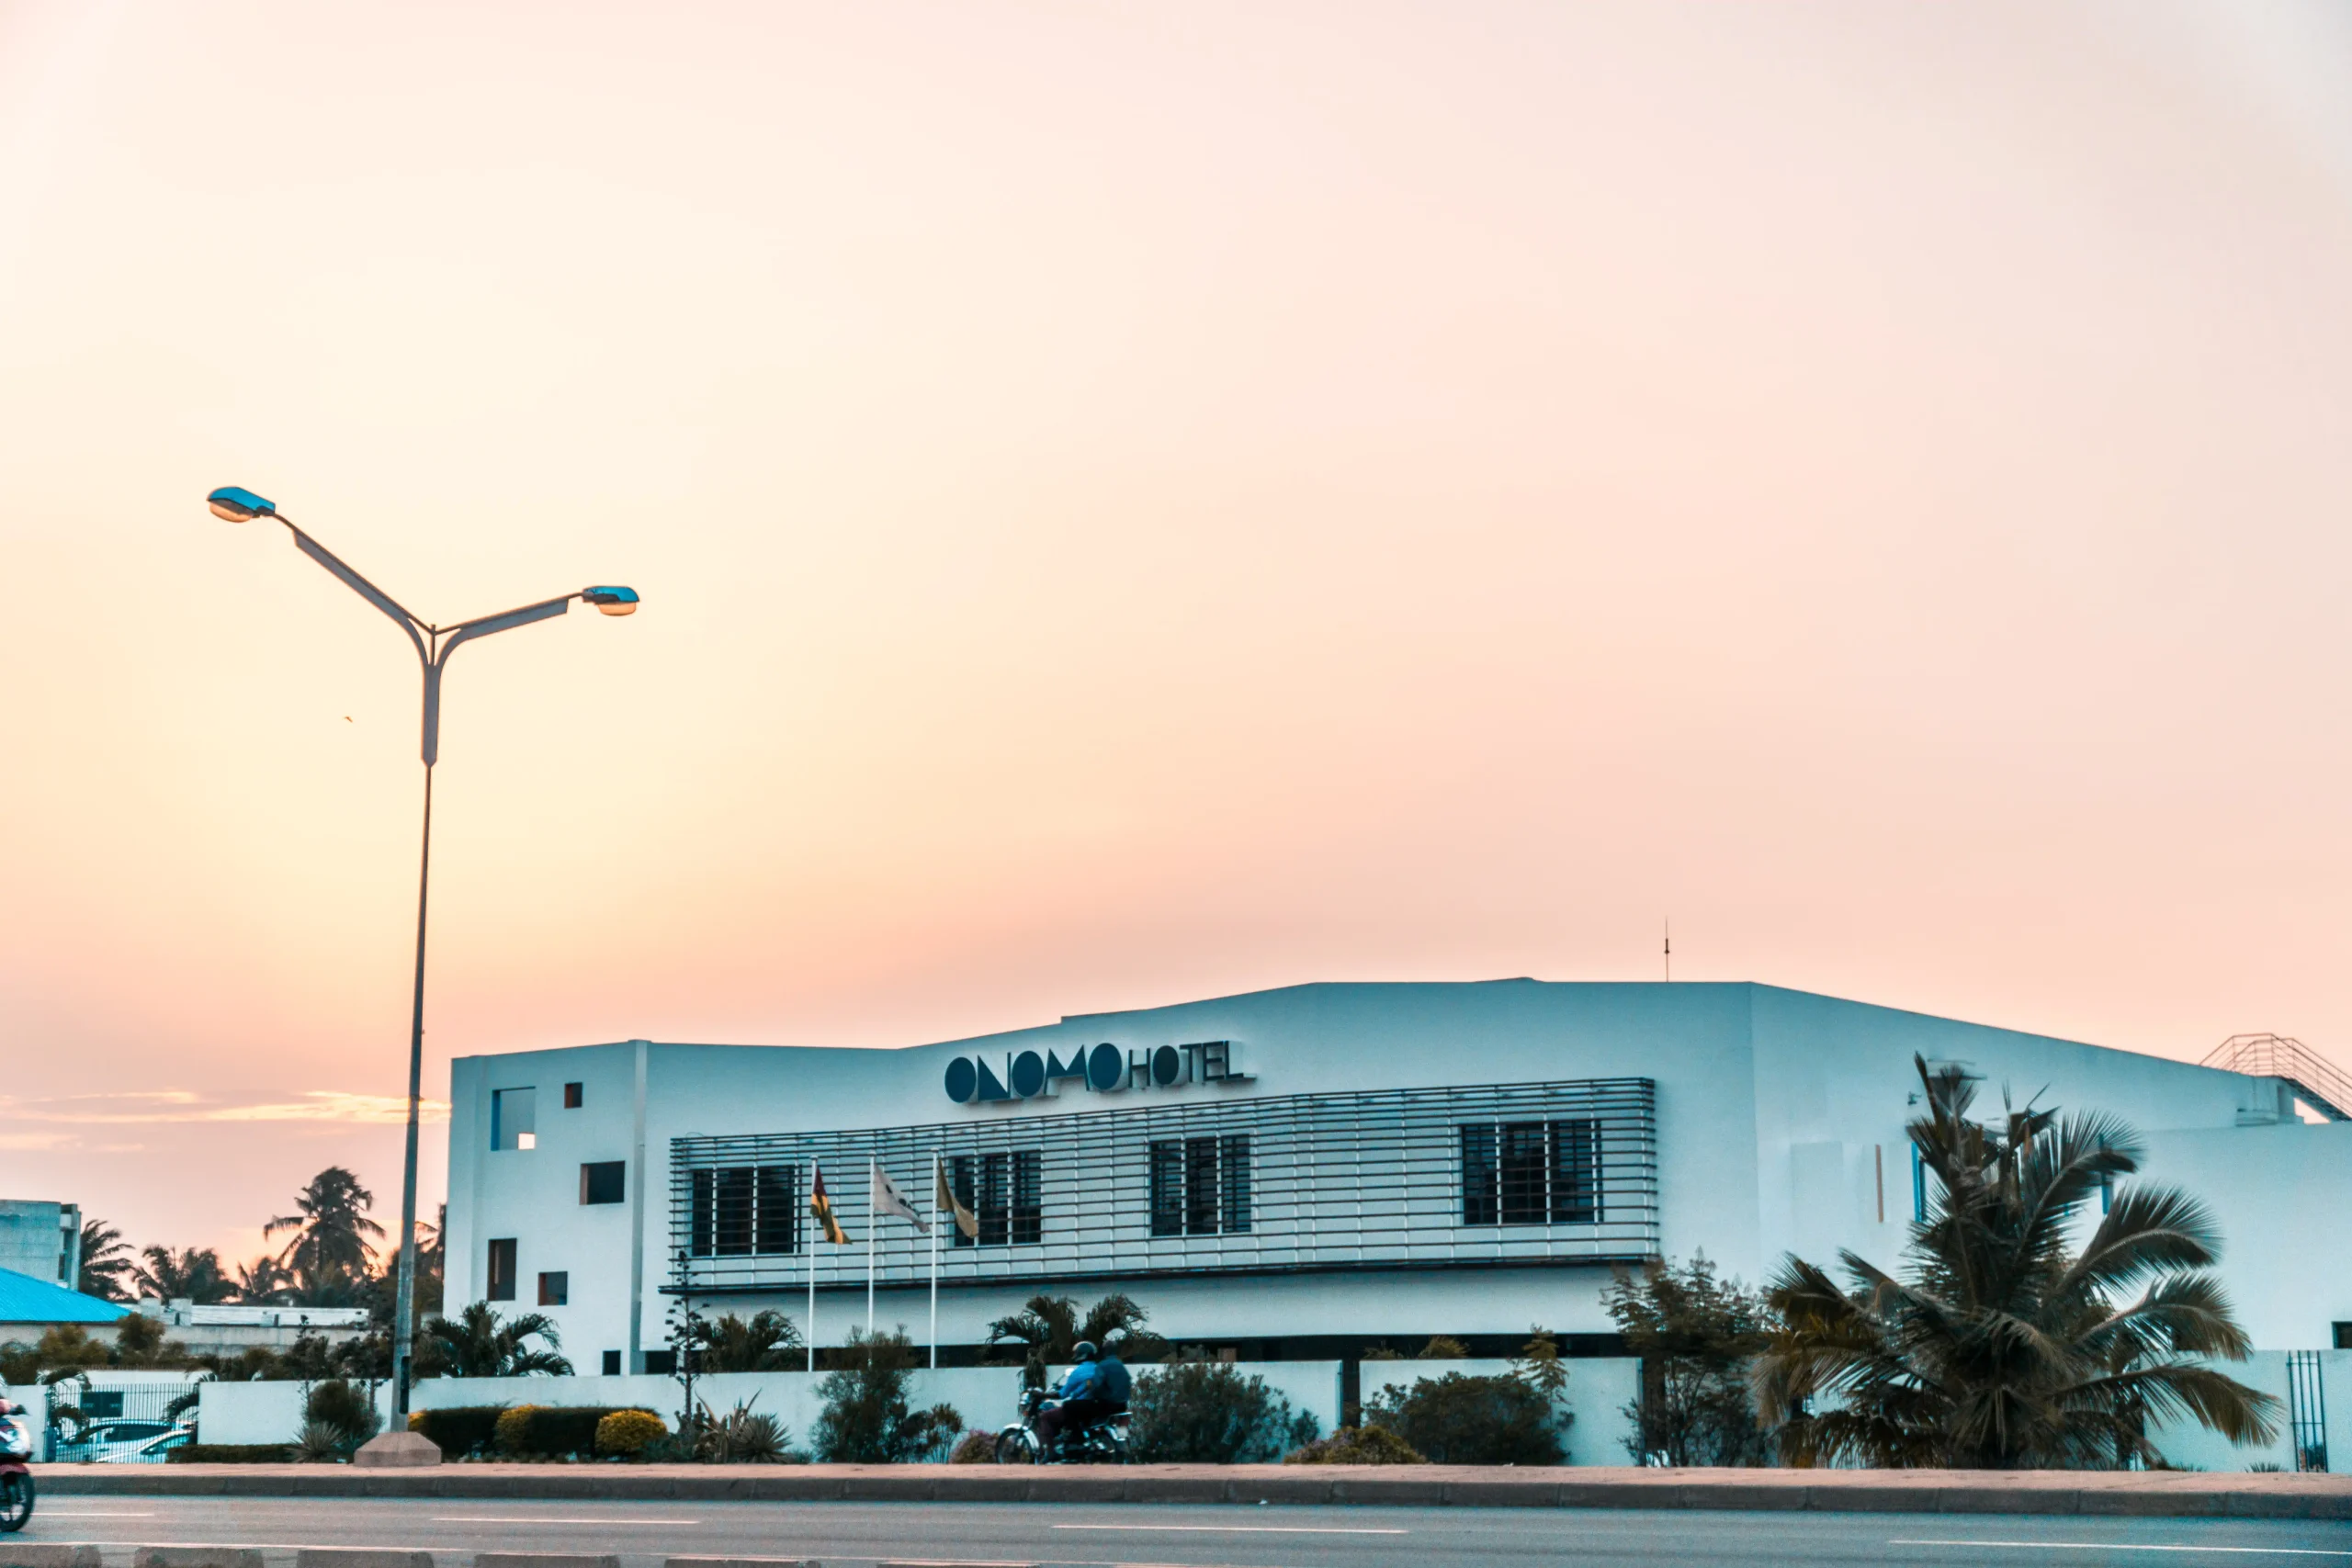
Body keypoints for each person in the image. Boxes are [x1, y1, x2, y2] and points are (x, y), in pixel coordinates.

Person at [1034, 1339, 1130, 1457]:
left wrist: (1044, 1395)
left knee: (1062, 1408)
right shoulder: (1117, 1365)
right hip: (1121, 1405)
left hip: (1100, 1405)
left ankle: (1054, 1451)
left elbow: (1091, 1386)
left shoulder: (1096, 1367)